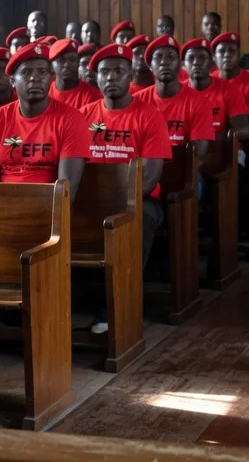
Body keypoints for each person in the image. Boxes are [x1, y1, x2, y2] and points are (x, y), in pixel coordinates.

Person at [82, 43, 172, 333]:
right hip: (91, 200)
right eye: (104, 72)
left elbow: (151, 178)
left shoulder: (149, 115)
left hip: (140, 200)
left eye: (118, 71)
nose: (111, 77)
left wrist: (117, 202)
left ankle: (115, 310)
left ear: (130, 75)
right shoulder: (82, 115)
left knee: (138, 222)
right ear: (96, 77)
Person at [0, 41, 90, 196]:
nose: (34, 78)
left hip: (50, 213)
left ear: (51, 78)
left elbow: (65, 194)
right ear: (12, 81)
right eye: (26, 72)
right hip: (1, 211)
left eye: (42, 72)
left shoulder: (71, 119)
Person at [135, 36, 214, 160]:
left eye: (171, 57)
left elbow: (197, 154)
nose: (164, 62)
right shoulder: (137, 101)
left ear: (180, 64)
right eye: (158, 57)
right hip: (142, 171)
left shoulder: (199, 102)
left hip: (183, 173)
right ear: (150, 65)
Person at [182, 38, 249, 140]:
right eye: (191, 58)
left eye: (202, 58)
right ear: (183, 65)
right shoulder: (178, 92)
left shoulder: (229, 90)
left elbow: (245, 131)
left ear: (211, 62)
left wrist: (206, 138)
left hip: (222, 151)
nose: (196, 62)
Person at [213, 32, 249, 122]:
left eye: (232, 51)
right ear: (214, 57)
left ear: (239, 55)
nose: (227, 55)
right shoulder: (208, 81)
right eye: (222, 51)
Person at [48, 39, 102, 110]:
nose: (67, 64)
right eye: (61, 60)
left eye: (72, 59)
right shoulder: (45, 93)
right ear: (51, 66)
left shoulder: (94, 96)